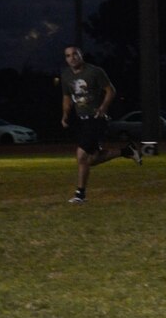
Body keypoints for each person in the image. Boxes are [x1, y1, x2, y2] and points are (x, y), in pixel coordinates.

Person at [60, 45, 141, 204]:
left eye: (75, 54)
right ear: (66, 59)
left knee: (81, 155)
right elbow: (67, 97)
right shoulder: (66, 75)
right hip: (81, 120)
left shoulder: (94, 71)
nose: (72, 58)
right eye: (68, 56)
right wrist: (65, 115)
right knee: (92, 159)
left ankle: (80, 195)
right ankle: (126, 151)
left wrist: (103, 107)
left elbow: (111, 90)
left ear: (81, 55)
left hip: (96, 118)